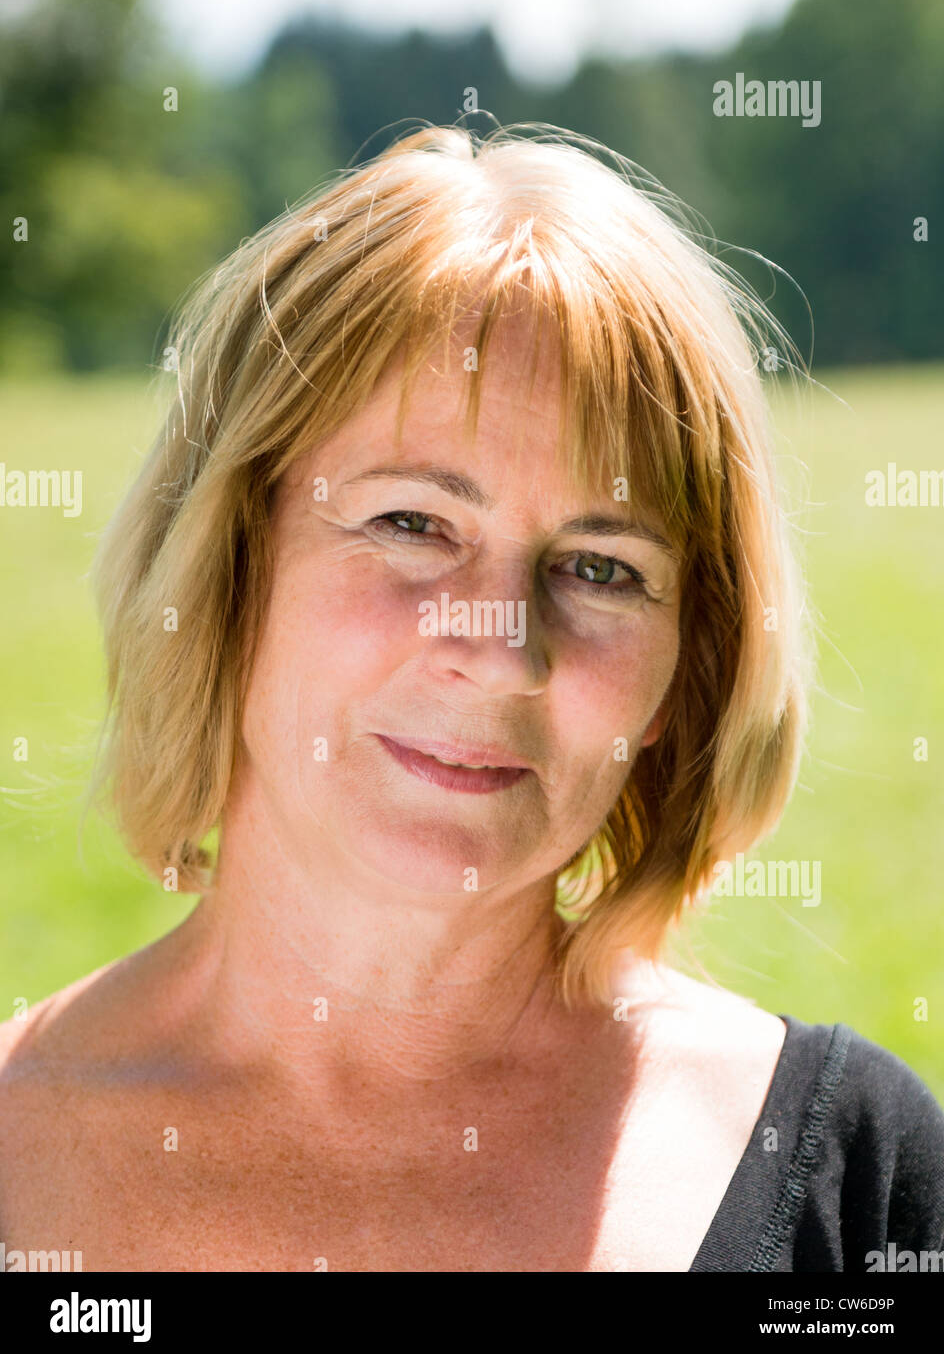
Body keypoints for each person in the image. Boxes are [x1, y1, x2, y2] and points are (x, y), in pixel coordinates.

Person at [0, 123, 941, 1273]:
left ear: (684, 677)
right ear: (226, 564)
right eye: (411, 523)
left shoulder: (861, 1181)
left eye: (601, 567)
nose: (499, 650)